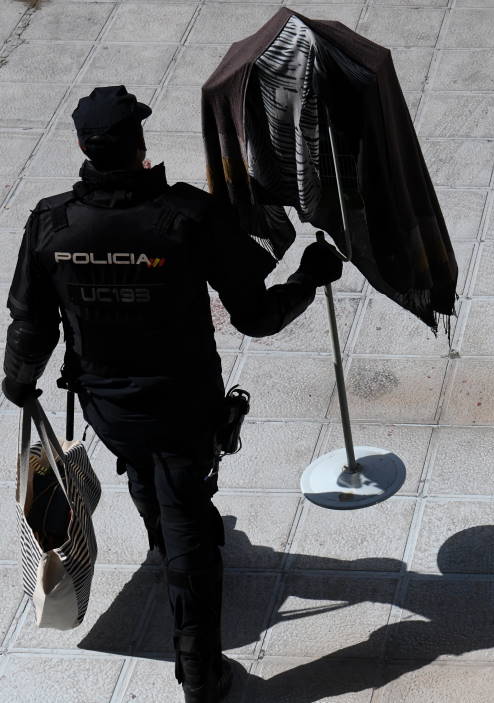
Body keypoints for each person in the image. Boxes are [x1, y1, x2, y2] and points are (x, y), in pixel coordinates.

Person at [2, 86, 344, 702]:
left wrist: (18, 382)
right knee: (189, 524)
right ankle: (201, 675)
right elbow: (257, 315)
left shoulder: (50, 223)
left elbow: (30, 326)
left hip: (109, 409)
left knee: (146, 477)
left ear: (83, 148)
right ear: (140, 146)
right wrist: (308, 278)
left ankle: (166, 541)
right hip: (184, 407)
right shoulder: (186, 216)